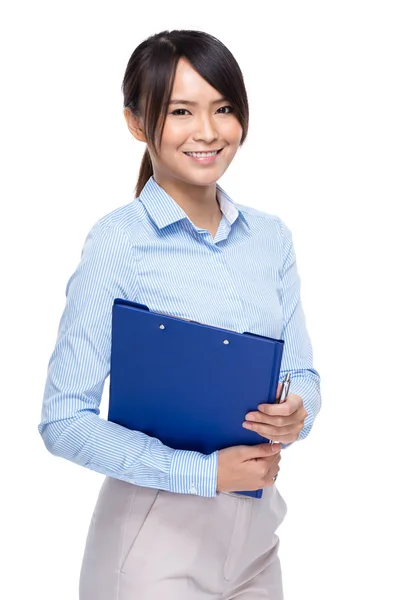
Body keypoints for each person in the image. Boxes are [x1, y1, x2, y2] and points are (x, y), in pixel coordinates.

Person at [38, 29, 321, 600]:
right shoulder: (118, 243)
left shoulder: (270, 239)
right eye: (181, 111)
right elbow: (64, 419)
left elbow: (304, 376)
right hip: (152, 544)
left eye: (223, 108)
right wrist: (206, 475)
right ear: (137, 124)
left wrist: (298, 413)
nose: (208, 132)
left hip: (256, 540)